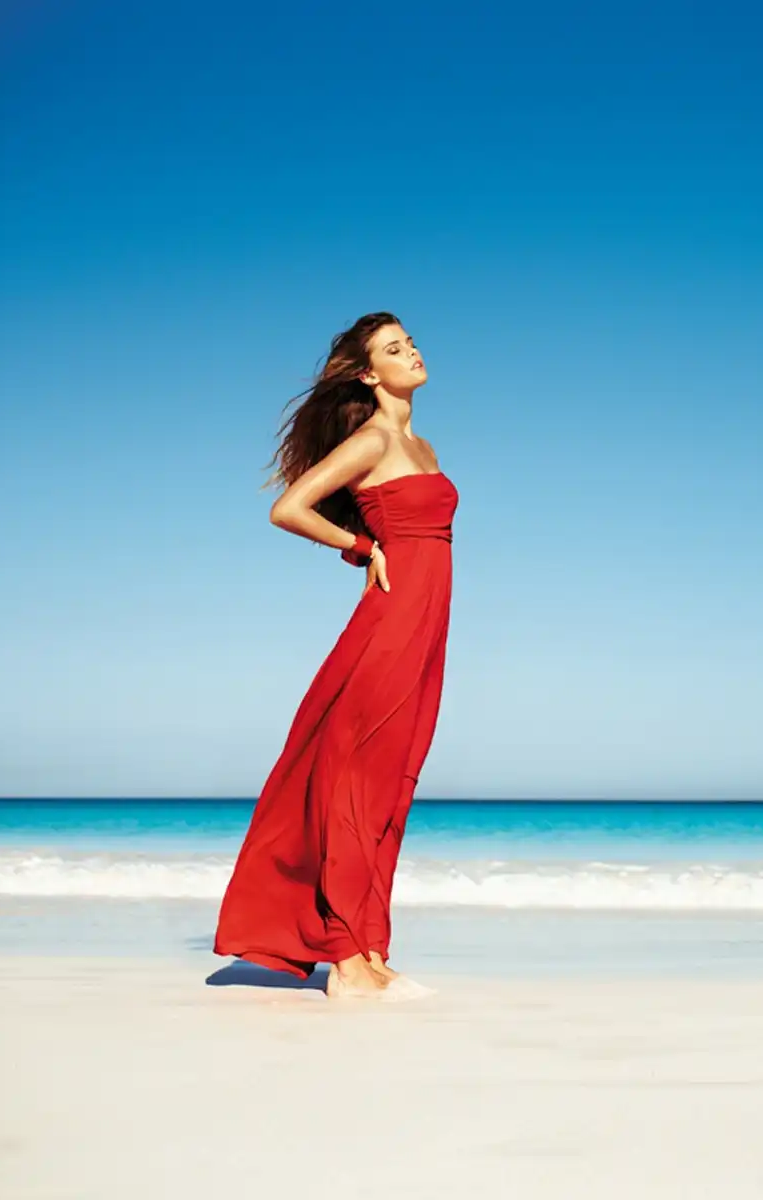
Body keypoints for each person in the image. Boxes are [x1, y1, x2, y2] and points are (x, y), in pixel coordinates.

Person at [213, 312, 459, 1000]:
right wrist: (360, 548)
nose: (410, 351)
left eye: (409, 341)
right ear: (366, 373)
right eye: (392, 348)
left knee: (391, 783)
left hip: (426, 631)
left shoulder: (426, 447)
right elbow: (289, 508)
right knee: (356, 777)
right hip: (387, 627)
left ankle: (370, 946)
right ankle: (346, 963)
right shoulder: (373, 440)